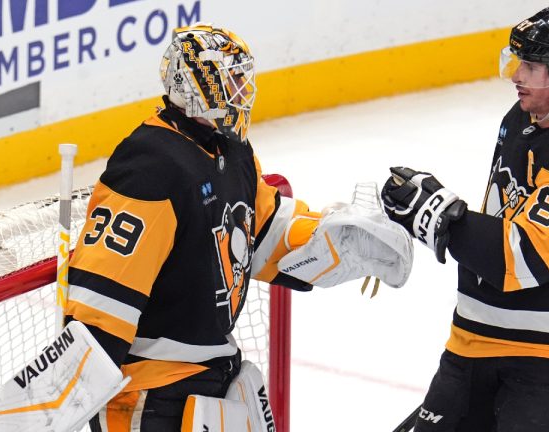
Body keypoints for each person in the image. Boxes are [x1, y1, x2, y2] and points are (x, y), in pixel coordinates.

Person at [55, 24, 411, 431]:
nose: (243, 91)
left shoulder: (232, 151)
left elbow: (259, 232)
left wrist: (336, 242)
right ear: (195, 86)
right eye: (233, 79)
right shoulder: (149, 166)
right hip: (150, 394)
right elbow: (106, 295)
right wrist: (69, 393)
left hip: (211, 378)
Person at [381, 4, 549, 431]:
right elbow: (505, 219)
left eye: (531, 65)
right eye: (518, 61)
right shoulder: (519, 120)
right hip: (473, 340)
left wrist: (442, 217)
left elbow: (522, 260)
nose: (517, 74)